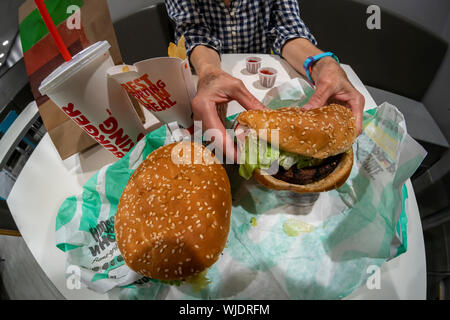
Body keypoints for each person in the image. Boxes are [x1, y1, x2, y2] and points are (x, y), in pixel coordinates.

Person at [165, 0, 364, 161]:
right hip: (212, 98)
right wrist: (209, 73)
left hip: (266, 85)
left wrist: (322, 64)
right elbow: (194, 33)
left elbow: (286, 27)